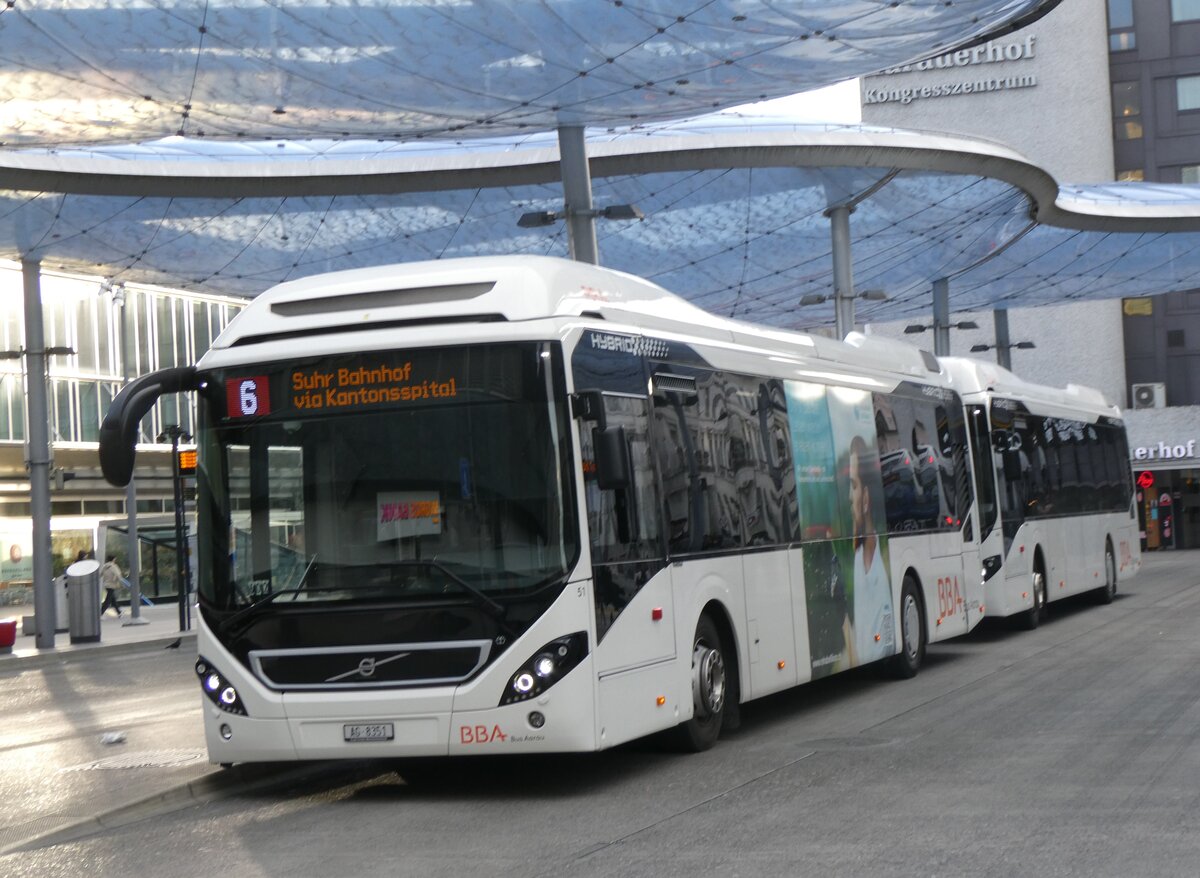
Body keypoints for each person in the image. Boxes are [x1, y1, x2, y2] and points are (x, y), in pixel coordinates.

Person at [846, 434, 894, 665]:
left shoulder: (879, 572)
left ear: (865, 499)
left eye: (853, 485)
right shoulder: (858, 556)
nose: (849, 497)